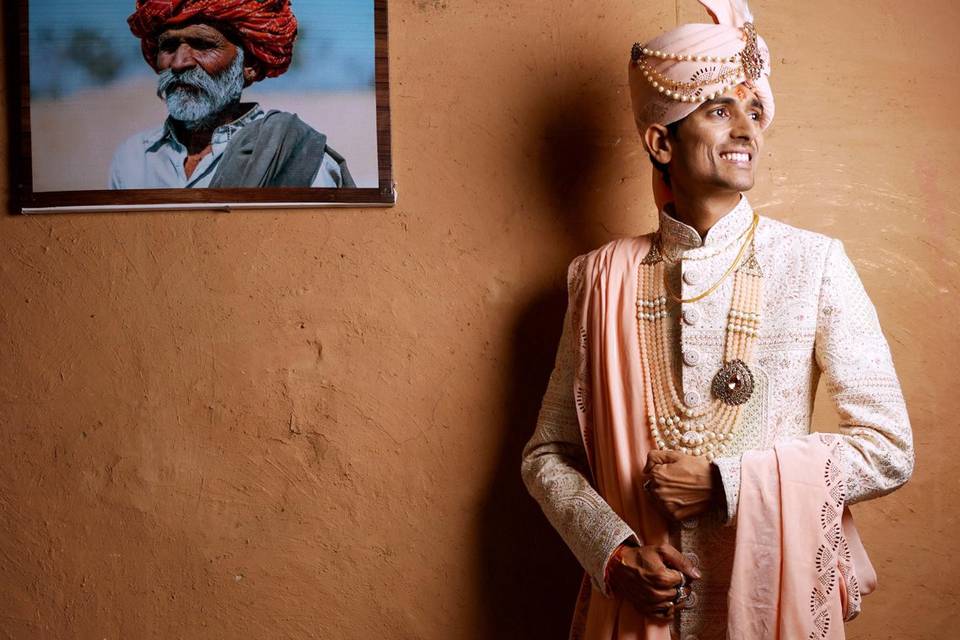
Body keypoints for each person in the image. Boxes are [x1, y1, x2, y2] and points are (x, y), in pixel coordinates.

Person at [521, 1, 914, 638]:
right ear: (660, 140)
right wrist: (615, 555)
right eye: (718, 108)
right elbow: (548, 455)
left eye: (755, 111)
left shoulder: (813, 264)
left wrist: (728, 481)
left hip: (772, 606)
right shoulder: (597, 278)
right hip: (637, 610)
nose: (747, 129)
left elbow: (890, 449)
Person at [109, 0, 355, 189]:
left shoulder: (294, 154)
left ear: (248, 64)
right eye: (169, 46)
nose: (179, 63)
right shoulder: (133, 159)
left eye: (203, 45)